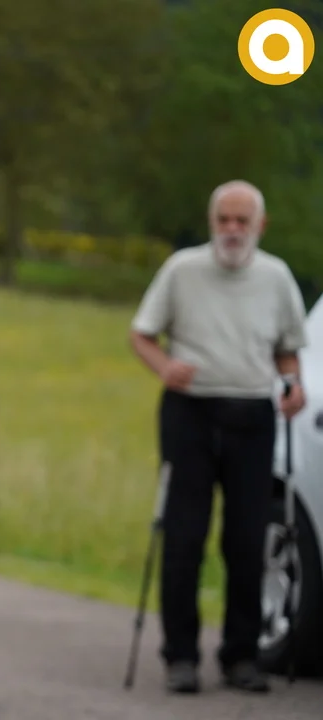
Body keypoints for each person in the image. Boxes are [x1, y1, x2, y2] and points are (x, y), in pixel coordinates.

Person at [129, 179, 307, 695]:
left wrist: (292, 384)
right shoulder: (182, 269)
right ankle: (180, 655)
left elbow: (288, 350)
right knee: (184, 535)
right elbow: (142, 334)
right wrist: (164, 366)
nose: (231, 230)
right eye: (223, 220)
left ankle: (242, 655)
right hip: (191, 412)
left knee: (248, 539)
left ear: (260, 225)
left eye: (241, 221)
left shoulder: (276, 277)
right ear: (212, 222)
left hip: (253, 413)